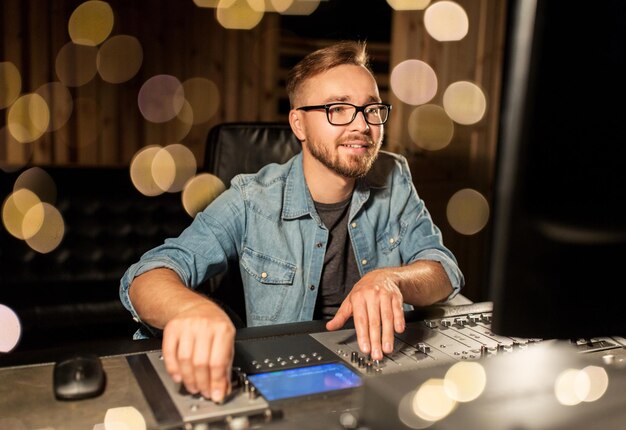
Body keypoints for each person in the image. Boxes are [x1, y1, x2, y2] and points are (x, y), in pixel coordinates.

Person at [119, 40, 464, 403]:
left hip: (380, 369)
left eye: (371, 109)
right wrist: (190, 309)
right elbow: (147, 275)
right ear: (298, 123)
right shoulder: (252, 198)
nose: (362, 125)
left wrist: (392, 280)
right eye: (339, 108)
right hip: (287, 381)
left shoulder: (394, 176)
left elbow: (444, 270)